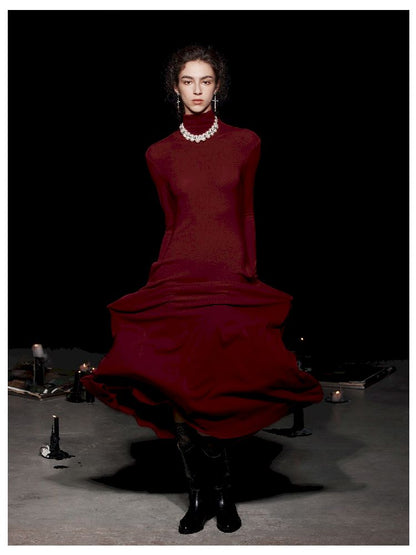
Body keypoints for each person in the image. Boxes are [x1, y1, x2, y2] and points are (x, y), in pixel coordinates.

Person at [82, 44, 323, 535]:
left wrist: (247, 269)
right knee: (180, 385)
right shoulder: (159, 153)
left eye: (206, 81)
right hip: (178, 273)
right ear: (175, 87)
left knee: (219, 385)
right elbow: (173, 222)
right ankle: (199, 495)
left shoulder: (246, 142)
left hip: (228, 273)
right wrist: (160, 274)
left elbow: (247, 211)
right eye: (188, 81)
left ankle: (226, 492)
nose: (197, 90)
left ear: (219, 86)